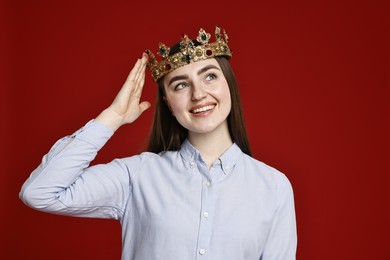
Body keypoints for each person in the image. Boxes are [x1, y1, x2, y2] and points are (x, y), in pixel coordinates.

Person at [20, 25, 297, 259]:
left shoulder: (274, 188)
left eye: (210, 77)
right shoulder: (138, 176)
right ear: (168, 102)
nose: (198, 94)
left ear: (229, 84)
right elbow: (40, 192)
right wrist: (112, 117)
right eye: (181, 85)